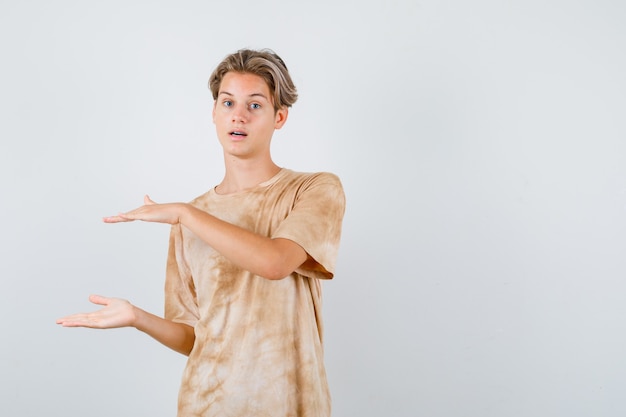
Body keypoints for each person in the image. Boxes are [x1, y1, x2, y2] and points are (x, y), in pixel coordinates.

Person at [56, 48, 346, 417]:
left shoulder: (314, 190)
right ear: (213, 113)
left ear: (280, 117)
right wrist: (137, 317)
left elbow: (275, 261)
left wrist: (184, 213)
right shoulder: (189, 219)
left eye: (255, 105)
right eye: (228, 103)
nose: (238, 115)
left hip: (288, 404)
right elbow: (193, 336)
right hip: (206, 404)